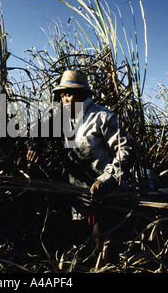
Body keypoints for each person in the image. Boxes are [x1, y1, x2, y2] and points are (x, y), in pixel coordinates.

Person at [26, 70, 136, 264]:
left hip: (106, 197)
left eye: (68, 94)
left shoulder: (103, 117)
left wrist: (105, 178)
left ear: (82, 94)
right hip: (78, 199)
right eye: (61, 95)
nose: (63, 99)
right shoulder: (63, 119)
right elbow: (38, 130)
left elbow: (126, 151)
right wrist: (35, 146)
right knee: (82, 253)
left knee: (101, 253)